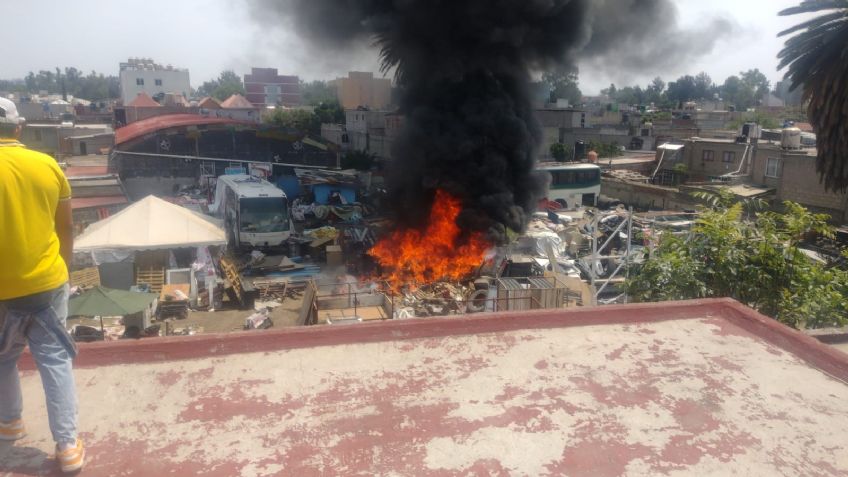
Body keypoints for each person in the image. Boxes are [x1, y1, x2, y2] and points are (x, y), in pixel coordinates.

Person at [0, 97, 84, 473]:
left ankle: (10, 423)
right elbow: (65, 227)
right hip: (47, 283)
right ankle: (67, 448)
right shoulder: (47, 165)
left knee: (2, 359)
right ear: (19, 129)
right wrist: (62, 269)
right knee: (54, 361)